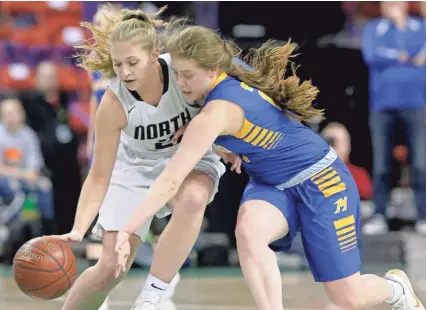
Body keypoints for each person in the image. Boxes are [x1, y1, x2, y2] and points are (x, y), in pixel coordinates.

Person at [115, 22, 425, 310]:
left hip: (322, 181)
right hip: (272, 183)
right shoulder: (233, 70)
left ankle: (394, 288)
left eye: (187, 75)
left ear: (212, 70)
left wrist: (127, 229)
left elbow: (170, 181)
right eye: (177, 74)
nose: (181, 84)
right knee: (249, 233)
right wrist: (217, 141)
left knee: (348, 297)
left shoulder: (216, 113)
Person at [49, 7, 224, 310]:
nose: (125, 72)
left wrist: (227, 139)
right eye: (118, 64)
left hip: (187, 158)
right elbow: (99, 175)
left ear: (156, 54)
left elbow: (229, 93)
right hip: (135, 168)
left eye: (133, 62)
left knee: (193, 198)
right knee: (111, 267)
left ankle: (152, 295)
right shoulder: (114, 102)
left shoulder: (183, 72)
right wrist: (79, 228)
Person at [361, 1, 426, 235]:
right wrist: (404, 57)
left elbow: (416, 53)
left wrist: (400, 32)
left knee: (420, 163)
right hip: (382, 105)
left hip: (416, 104)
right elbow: (371, 55)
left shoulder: (420, 27)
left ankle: (424, 216)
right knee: (381, 164)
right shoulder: (374, 29)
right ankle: (379, 215)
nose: (392, 6)